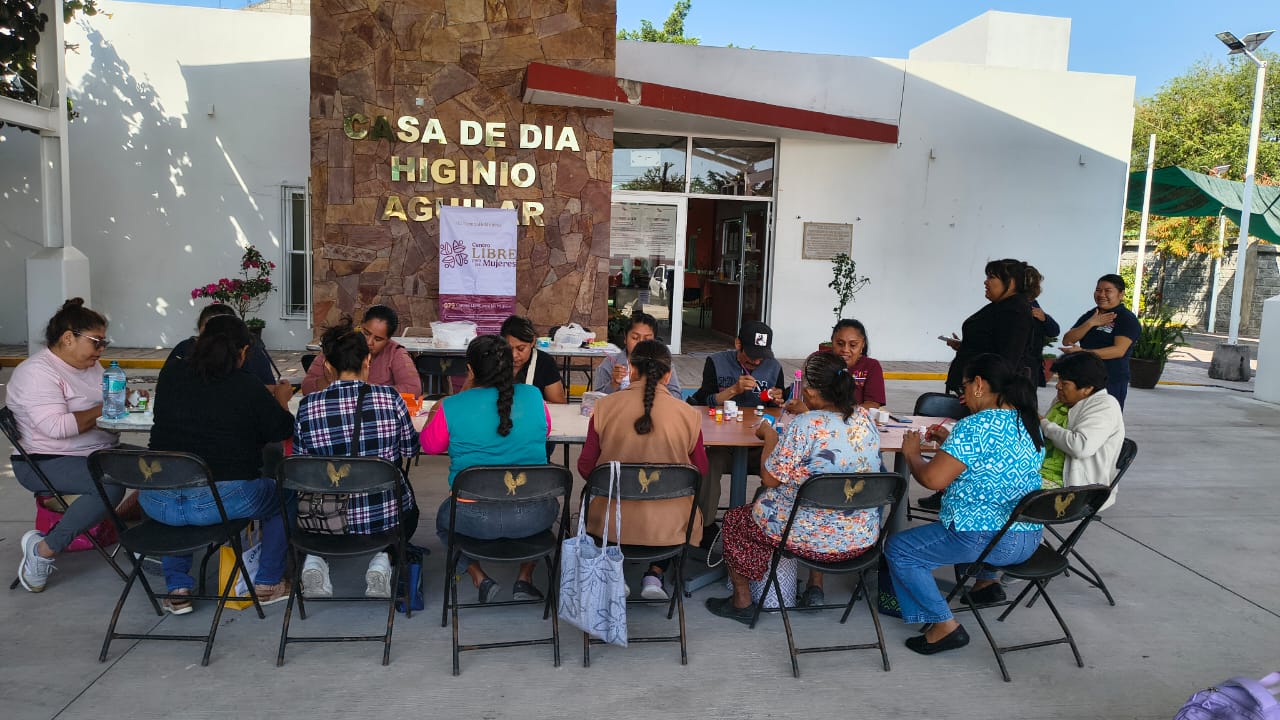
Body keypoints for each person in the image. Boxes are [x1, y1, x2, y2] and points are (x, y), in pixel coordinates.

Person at [885, 354, 1044, 655]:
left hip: (986, 540)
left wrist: (911, 454)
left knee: (900, 550)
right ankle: (985, 584)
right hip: (1028, 537)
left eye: (966, 386)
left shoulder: (975, 426)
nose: (963, 395)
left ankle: (944, 626)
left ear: (980, 384)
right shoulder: (1028, 421)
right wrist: (951, 441)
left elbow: (932, 480)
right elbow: (993, 465)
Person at [705, 352, 883, 623]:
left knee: (736, 520)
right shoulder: (864, 419)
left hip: (809, 538)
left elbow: (770, 478)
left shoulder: (805, 425)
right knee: (769, 506)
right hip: (860, 538)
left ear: (809, 391)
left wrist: (770, 436)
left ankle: (741, 601)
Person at [143, 315, 297, 612]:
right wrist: (280, 399)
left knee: (177, 483)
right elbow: (281, 430)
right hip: (218, 502)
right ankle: (267, 581)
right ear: (241, 353)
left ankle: (178, 587)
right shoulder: (246, 386)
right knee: (285, 493)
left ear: (198, 343)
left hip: (157, 500)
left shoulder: (171, 375)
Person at [420, 334, 557, 603]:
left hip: (472, 518)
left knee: (444, 522)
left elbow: (430, 446)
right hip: (532, 517)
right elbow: (547, 430)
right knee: (548, 511)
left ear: (470, 370)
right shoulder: (533, 396)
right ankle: (524, 578)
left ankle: (478, 576)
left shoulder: (451, 406)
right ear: (510, 366)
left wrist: (451, 402)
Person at [292, 318, 420, 599]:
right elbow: (411, 450)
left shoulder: (307, 406)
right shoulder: (390, 399)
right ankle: (382, 558)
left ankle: (315, 557)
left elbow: (300, 467)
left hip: (322, 519)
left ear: (327, 366)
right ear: (367, 362)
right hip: (383, 518)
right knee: (411, 509)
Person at [9, 299, 125, 593]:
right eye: (96, 342)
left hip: (96, 451)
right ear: (68, 337)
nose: (101, 350)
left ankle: (150, 544)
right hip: (46, 460)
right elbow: (56, 427)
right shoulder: (38, 373)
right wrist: (107, 406)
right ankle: (44, 550)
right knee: (109, 484)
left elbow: (108, 409)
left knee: (168, 462)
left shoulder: (93, 367)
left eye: (104, 342)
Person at [577, 340, 708, 600]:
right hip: (670, 525)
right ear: (668, 374)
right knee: (685, 505)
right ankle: (655, 574)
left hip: (610, 523)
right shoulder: (689, 414)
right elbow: (700, 470)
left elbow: (586, 468)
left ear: (631, 370)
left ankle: (615, 572)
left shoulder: (603, 408)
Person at [688, 321, 789, 545]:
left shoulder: (773, 367)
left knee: (778, 469)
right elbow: (704, 401)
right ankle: (703, 527)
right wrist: (733, 390)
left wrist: (778, 400)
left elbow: (778, 409)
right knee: (709, 463)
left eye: (762, 356)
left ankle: (756, 525)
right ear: (737, 344)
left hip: (757, 446)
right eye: (751, 354)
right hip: (724, 446)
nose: (756, 361)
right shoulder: (716, 362)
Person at [1039, 352, 1125, 511]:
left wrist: (1043, 424)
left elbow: (1080, 447)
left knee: (999, 492)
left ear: (1087, 388)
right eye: (1058, 380)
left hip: (1075, 489)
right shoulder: (1063, 401)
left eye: (1064, 383)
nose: (1058, 386)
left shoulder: (1105, 406)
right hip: (1041, 474)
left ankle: (1026, 535)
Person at [943, 259, 1036, 395]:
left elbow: (1008, 359)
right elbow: (990, 343)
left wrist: (985, 394)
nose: (986, 282)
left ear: (1011, 282)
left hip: (984, 393)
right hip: (973, 388)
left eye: (991, 277)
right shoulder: (1001, 306)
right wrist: (965, 346)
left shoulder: (1015, 312)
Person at [1060, 274, 1141, 409]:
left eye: (1108, 291)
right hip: (1085, 377)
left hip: (1111, 379)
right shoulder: (1092, 314)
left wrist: (1084, 353)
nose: (1101, 294)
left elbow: (1118, 350)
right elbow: (1067, 340)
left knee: (1104, 419)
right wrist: (1091, 322)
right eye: (1098, 290)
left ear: (1121, 294)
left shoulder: (1126, 319)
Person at [301, 304, 419, 396]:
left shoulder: (396, 353)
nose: (369, 342)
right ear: (360, 325)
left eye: (378, 339)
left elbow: (413, 389)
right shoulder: (340, 344)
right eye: (366, 333)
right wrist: (329, 379)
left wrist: (365, 391)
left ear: (388, 340)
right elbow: (307, 387)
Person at [167, 303, 276, 385]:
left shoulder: (252, 355)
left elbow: (269, 389)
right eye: (209, 333)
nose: (215, 342)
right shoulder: (183, 351)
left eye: (222, 334)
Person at [788, 319, 885, 410]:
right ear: (832, 341)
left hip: (854, 423)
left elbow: (872, 404)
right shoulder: (819, 360)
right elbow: (803, 394)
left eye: (853, 345)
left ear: (863, 344)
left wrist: (840, 415)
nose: (845, 350)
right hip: (815, 420)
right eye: (840, 343)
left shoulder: (871, 366)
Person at [593, 312, 682, 398]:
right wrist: (614, 383)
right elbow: (596, 400)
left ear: (654, 341)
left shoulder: (663, 363)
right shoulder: (610, 364)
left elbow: (676, 396)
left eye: (647, 339)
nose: (641, 343)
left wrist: (660, 388)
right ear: (625, 338)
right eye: (635, 338)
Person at [499, 315, 567, 404]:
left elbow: (559, 405)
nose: (514, 355)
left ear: (532, 342)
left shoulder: (545, 363)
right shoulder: (492, 359)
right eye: (508, 348)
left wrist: (536, 405)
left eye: (521, 348)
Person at [1023, 266, 1060, 388]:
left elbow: (1054, 331)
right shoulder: (1018, 305)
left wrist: (1044, 318)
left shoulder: (1033, 305)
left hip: (1030, 365)